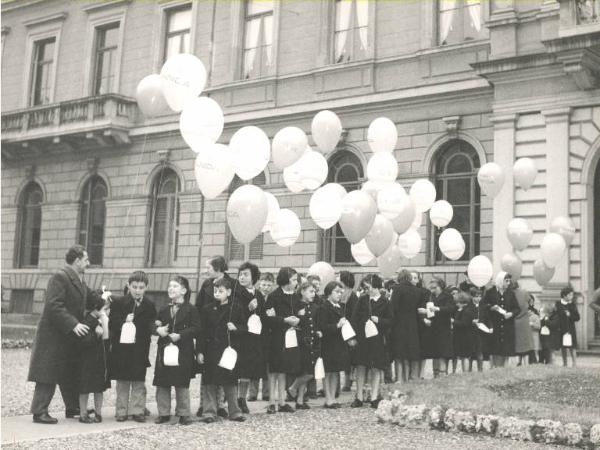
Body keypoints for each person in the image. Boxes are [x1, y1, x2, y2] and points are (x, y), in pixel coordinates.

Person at [28, 245, 108, 424]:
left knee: (70, 371)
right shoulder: (60, 277)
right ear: (77, 260)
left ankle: (73, 408)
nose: (88, 263)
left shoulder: (78, 279)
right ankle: (39, 412)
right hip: (53, 336)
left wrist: (107, 299)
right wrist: (74, 324)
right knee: (47, 374)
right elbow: (54, 306)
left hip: (66, 335)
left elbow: (90, 297)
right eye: (86, 260)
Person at [109, 271, 157, 422]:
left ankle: (137, 410)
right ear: (128, 286)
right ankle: (121, 411)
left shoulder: (149, 305)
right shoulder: (118, 302)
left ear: (146, 288)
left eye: (141, 287)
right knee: (122, 381)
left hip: (140, 349)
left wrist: (156, 326)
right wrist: (124, 320)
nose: (137, 290)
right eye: (134, 287)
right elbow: (112, 323)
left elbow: (151, 323)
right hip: (122, 349)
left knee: (138, 380)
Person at [198, 277, 246, 423]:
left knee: (230, 383)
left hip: (228, 351)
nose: (217, 293)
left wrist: (236, 328)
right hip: (211, 351)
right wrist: (199, 351)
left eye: (221, 291)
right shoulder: (207, 309)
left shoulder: (236, 308)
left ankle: (235, 411)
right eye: (215, 291)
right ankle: (209, 412)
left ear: (229, 292)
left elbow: (245, 328)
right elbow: (202, 332)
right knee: (209, 383)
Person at [153, 276, 200, 425]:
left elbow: (197, 328)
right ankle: (163, 412)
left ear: (184, 290)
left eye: (175, 286)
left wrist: (181, 335)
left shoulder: (191, 309)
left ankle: (184, 412)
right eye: (169, 286)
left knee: (181, 383)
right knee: (162, 382)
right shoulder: (164, 308)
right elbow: (153, 324)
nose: (170, 288)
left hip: (183, 350)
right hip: (165, 349)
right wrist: (157, 329)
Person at [195, 256, 232, 418]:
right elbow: (199, 305)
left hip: (224, 334)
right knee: (207, 372)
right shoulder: (206, 284)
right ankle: (204, 405)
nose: (206, 270)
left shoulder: (232, 283)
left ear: (218, 268)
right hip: (209, 331)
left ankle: (221, 404)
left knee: (223, 368)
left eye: (208, 267)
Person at [264, 267, 301, 414]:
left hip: (291, 336)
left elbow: (301, 312)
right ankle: (272, 401)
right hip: (276, 337)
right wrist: (284, 320)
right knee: (274, 370)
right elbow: (268, 318)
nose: (295, 282)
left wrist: (298, 319)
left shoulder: (296, 296)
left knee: (284, 369)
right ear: (285, 280)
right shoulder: (274, 296)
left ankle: (282, 401)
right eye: (293, 279)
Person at [351, 274, 392, 409]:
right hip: (363, 339)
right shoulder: (362, 300)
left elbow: (391, 321)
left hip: (377, 339)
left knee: (376, 368)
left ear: (375, 286)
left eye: (368, 287)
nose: (366, 289)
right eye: (364, 287)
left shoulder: (385, 302)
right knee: (361, 366)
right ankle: (359, 397)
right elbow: (354, 319)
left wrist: (379, 320)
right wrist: (355, 335)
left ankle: (374, 397)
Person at [233, 262, 266, 414]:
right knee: (236, 368)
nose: (242, 277)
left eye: (246, 274)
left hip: (254, 336)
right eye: (240, 274)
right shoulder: (235, 293)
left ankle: (242, 398)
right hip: (239, 335)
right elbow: (233, 314)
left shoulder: (258, 294)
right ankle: (232, 400)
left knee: (247, 369)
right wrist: (248, 309)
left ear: (254, 277)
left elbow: (262, 315)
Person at [287, 281, 322, 409]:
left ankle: (300, 400)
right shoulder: (296, 306)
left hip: (312, 342)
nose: (313, 294)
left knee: (308, 372)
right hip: (301, 342)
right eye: (311, 291)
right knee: (305, 372)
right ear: (302, 291)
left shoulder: (315, 307)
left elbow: (316, 323)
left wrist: (318, 332)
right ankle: (293, 388)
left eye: (314, 292)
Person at [319, 281, 353, 409]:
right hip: (328, 343)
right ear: (329, 293)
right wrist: (337, 326)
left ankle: (333, 397)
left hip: (338, 343)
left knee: (335, 372)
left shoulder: (340, 307)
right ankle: (328, 398)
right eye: (337, 292)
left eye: (341, 292)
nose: (339, 295)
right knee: (328, 372)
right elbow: (322, 327)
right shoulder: (324, 307)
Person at [77, 297, 111, 423]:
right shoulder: (87, 321)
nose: (106, 312)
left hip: (97, 360)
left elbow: (107, 338)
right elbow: (82, 342)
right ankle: (83, 414)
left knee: (98, 387)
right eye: (105, 309)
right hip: (87, 361)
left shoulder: (99, 321)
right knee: (85, 388)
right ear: (96, 309)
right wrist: (95, 335)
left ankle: (98, 413)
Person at [390, 270, 424, 383]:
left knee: (399, 354)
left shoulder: (397, 288)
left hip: (399, 324)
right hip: (412, 324)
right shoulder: (418, 291)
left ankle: (399, 379)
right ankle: (408, 378)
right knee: (409, 354)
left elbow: (393, 307)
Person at [248, 272, 274, 402]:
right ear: (259, 284)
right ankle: (252, 392)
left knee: (268, 363)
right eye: (263, 284)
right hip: (256, 334)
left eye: (269, 285)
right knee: (254, 362)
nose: (266, 287)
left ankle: (266, 392)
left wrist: (273, 315)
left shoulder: (273, 298)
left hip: (269, 335)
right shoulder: (255, 296)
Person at [484, 272, 520, 368]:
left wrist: (511, 314)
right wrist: (491, 308)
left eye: (509, 281)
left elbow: (517, 309)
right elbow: (484, 306)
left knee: (505, 350)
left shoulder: (510, 294)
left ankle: (503, 369)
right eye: (506, 281)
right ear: (500, 281)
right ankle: (494, 368)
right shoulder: (490, 292)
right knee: (495, 349)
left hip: (507, 326)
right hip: (495, 325)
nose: (508, 283)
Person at [427, 278, 456, 377]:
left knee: (443, 352)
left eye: (434, 288)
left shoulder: (447, 296)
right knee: (435, 352)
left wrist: (438, 309)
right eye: (431, 288)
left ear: (440, 286)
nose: (432, 290)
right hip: (433, 328)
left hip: (444, 328)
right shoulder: (431, 296)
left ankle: (443, 373)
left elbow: (451, 308)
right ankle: (435, 373)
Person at [339, 270, 358, 393]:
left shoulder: (352, 296)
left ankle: (348, 382)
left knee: (351, 358)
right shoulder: (344, 294)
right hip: (343, 329)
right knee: (345, 357)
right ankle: (346, 382)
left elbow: (354, 316)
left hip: (349, 330)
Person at [555, 286, 580, 367]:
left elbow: (577, 317)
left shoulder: (572, 305)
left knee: (572, 346)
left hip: (570, 328)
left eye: (572, 295)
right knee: (563, 346)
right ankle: (565, 363)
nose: (571, 297)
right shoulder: (558, 304)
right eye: (570, 295)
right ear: (564, 295)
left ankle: (574, 363)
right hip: (561, 328)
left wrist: (570, 315)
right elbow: (556, 315)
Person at [452, 292, 477, 373]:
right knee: (461, 355)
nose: (456, 304)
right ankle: (459, 371)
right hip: (460, 336)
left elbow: (464, 323)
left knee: (465, 356)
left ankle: (465, 372)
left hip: (465, 337)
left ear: (462, 302)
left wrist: (453, 321)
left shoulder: (467, 311)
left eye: (457, 302)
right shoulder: (460, 310)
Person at [511, 281, 534, 366]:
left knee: (517, 344)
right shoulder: (524, 292)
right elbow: (531, 301)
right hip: (524, 320)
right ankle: (526, 364)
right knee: (525, 344)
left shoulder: (510, 294)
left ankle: (518, 362)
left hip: (514, 321)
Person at [527, 294, 541, 364]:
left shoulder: (535, 311)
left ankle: (535, 361)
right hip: (527, 332)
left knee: (535, 348)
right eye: (530, 301)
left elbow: (538, 321)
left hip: (534, 332)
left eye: (532, 301)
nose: (531, 302)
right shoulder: (525, 310)